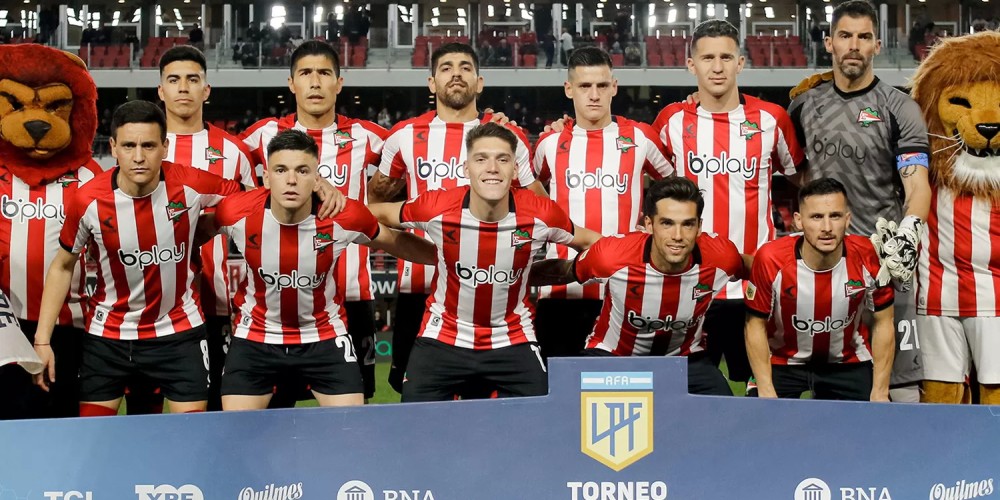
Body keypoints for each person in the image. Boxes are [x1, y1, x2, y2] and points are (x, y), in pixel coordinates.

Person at [31, 101, 343, 416]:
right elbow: (62, 266)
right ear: (113, 147)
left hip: (179, 335)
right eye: (128, 146)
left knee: (192, 435)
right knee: (95, 433)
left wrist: (317, 185)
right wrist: (42, 340)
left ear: (164, 147)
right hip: (107, 336)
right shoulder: (87, 200)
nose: (138, 156)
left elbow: (259, 193)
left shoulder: (191, 183)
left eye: (148, 145)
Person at [369, 123, 600, 402]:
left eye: (502, 159)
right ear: (466, 169)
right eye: (481, 159)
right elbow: (375, 214)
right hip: (443, 337)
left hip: (513, 339)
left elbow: (594, 243)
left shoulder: (542, 213)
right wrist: (331, 205)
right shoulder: (437, 207)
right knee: (415, 423)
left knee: (538, 422)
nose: (492, 168)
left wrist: (574, 269)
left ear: (515, 170)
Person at [367, 42, 547, 393]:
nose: (456, 74)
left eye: (465, 67)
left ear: (479, 82)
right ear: (431, 82)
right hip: (420, 287)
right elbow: (378, 201)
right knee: (418, 402)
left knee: (488, 404)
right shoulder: (405, 136)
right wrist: (412, 245)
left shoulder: (506, 137)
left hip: (491, 293)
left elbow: (540, 208)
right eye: (446, 67)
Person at [215, 130, 436, 410]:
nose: (291, 180)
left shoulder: (343, 215)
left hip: (323, 336)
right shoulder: (235, 213)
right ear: (266, 177)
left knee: (351, 428)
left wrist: (446, 257)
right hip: (255, 337)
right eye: (281, 170)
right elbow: (193, 232)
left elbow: (396, 241)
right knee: (238, 431)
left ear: (317, 177)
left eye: (302, 170)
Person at [788, 0, 931, 402]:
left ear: (877, 45)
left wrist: (909, 232)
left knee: (900, 386)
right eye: (845, 36)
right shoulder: (805, 105)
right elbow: (791, 170)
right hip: (825, 264)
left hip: (885, 261)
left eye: (864, 37)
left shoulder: (898, 107)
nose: (854, 45)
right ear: (829, 43)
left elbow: (917, 183)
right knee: (831, 381)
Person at [652, 19, 806, 389]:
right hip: (690, 281)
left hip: (754, 281)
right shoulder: (671, 120)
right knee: (686, 391)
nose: (717, 67)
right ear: (691, 65)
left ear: (740, 63)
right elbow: (645, 174)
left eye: (725, 57)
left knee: (760, 389)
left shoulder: (771, 119)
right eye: (708, 58)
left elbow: (801, 177)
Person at [241, 40, 388, 403]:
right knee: (275, 412)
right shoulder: (262, 135)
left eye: (324, 73)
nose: (315, 82)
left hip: (351, 294)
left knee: (351, 416)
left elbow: (417, 158)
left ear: (339, 83)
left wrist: (494, 123)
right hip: (279, 300)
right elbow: (219, 167)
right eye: (305, 73)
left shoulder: (367, 136)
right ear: (292, 83)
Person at [531, 177, 749, 395]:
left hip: (686, 361)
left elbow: (761, 268)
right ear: (649, 224)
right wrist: (515, 277)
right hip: (613, 356)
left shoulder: (721, 257)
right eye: (667, 223)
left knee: (725, 410)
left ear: (699, 227)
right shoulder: (612, 256)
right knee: (571, 405)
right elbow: (563, 271)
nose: (677, 236)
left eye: (687, 224)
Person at [532, 46, 673, 359]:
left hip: (626, 289)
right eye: (585, 86)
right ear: (569, 89)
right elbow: (529, 191)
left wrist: (654, 228)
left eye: (601, 85)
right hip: (561, 291)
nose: (594, 95)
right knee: (559, 386)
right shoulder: (549, 143)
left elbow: (675, 190)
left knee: (629, 384)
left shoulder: (640, 137)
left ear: (614, 87)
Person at [152, 44, 258, 413]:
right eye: (174, 80)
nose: (183, 87)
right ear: (160, 90)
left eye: (192, 79)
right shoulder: (143, 148)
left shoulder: (234, 152)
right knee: (142, 415)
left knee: (212, 413)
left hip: (214, 303)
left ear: (206, 89)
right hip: (148, 306)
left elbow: (258, 220)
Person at [745, 178, 894, 401]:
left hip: (847, 361)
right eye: (816, 217)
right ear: (798, 221)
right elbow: (754, 325)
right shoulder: (770, 259)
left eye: (835, 216)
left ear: (848, 219)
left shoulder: (868, 255)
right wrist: (766, 389)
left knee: (875, 420)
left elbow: (884, 321)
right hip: (782, 361)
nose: (827, 228)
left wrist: (880, 391)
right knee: (759, 418)